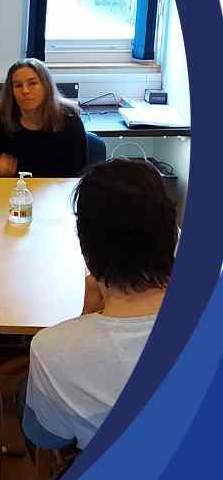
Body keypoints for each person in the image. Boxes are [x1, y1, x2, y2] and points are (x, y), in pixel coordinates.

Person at [22, 159, 174, 451]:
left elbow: (47, 437)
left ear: (86, 251)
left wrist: (85, 318)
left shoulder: (53, 350)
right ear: (171, 235)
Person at [0, 58, 87, 178]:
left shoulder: (69, 119)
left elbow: (78, 174)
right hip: (14, 192)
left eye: (32, 83)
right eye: (18, 85)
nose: (25, 91)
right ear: (11, 91)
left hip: (55, 191)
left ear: (46, 86)